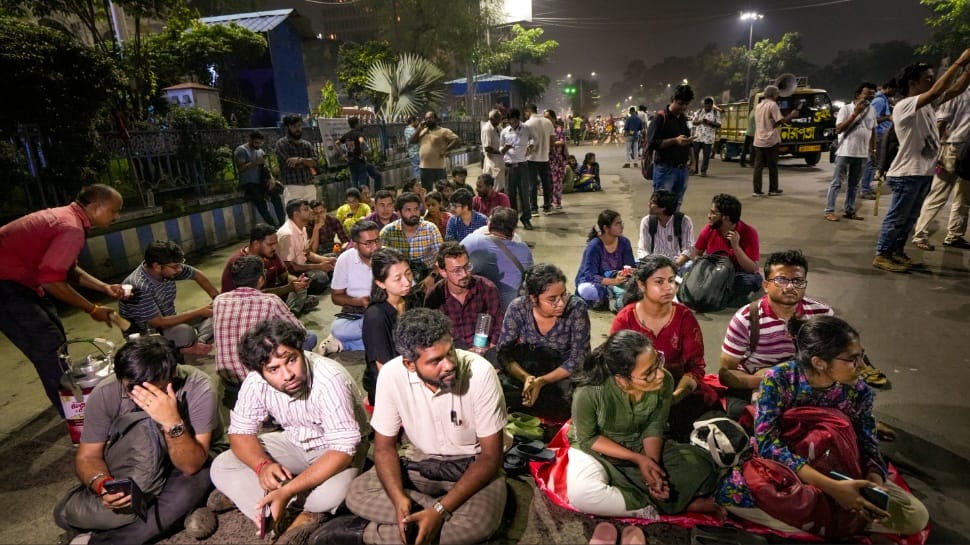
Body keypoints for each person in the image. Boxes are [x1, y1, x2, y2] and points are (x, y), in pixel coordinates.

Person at [715, 316, 928, 538]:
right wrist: (832, 488)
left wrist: (874, 483)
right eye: (853, 359)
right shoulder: (780, 379)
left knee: (915, 517)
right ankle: (836, 521)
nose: (863, 367)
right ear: (819, 362)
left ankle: (818, 522)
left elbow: (868, 443)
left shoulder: (859, 391)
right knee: (730, 495)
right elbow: (768, 443)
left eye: (863, 357)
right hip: (791, 469)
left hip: (841, 467)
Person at [320, 309, 507, 545]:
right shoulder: (391, 374)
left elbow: (491, 457)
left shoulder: (480, 373)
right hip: (419, 461)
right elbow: (384, 448)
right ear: (409, 364)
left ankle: (364, 533)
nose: (449, 365)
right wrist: (399, 499)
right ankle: (435, 523)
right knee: (357, 494)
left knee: (477, 524)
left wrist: (439, 511)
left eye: (450, 352)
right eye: (436, 361)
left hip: (472, 466)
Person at [210, 319, 371, 543]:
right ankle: (288, 510)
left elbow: (343, 450)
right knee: (221, 465)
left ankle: (276, 499)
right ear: (260, 371)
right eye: (273, 369)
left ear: (301, 351)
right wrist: (262, 466)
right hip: (294, 441)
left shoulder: (330, 379)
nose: (287, 375)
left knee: (333, 495)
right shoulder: (256, 382)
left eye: (292, 360)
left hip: (335, 451)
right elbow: (239, 432)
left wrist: (286, 492)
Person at [53, 335, 219, 545]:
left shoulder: (199, 387)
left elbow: (191, 465)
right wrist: (102, 484)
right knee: (82, 510)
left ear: (172, 375)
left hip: (194, 454)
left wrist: (172, 423)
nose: (139, 396)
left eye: (150, 389)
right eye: (131, 388)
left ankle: (98, 541)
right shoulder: (106, 392)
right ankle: (187, 512)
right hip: (141, 455)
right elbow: (87, 456)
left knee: (176, 501)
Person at [565, 330, 720, 519]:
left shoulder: (665, 382)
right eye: (648, 373)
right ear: (621, 379)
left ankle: (649, 499)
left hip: (640, 444)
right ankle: (659, 506)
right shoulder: (589, 392)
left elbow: (655, 425)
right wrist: (637, 460)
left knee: (701, 467)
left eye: (658, 363)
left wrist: (652, 468)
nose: (660, 375)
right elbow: (588, 438)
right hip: (598, 450)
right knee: (582, 495)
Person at [0, 183, 125, 414]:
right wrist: (92, 308)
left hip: (25, 282)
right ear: (96, 207)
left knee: (56, 340)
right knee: (46, 344)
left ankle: (66, 394)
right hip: (7, 286)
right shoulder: (71, 227)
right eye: (114, 210)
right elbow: (51, 281)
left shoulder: (69, 219)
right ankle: (75, 413)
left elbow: (66, 270)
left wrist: (104, 288)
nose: (117, 216)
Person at [874, 52, 970, 272]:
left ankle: (897, 253)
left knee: (908, 220)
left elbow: (956, 90)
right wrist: (960, 61)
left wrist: (968, 70)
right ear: (912, 83)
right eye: (927, 78)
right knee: (897, 219)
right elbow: (938, 89)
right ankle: (882, 254)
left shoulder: (927, 105)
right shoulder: (905, 105)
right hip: (906, 173)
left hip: (922, 173)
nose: (932, 81)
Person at [610, 256, 719, 441]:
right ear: (641, 285)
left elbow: (695, 368)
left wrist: (674, 398)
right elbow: (616, 368)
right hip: (636, 393)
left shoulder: (684, 318)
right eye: (659, 282)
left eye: (671, 280)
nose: (668, 287)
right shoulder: (625, 319)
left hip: (679, 391)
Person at [718, 250, 834, 419]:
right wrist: (769, 379)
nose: (790, 287)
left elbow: (832, 363)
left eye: (798, 281)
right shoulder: (746, 318)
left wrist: (790, 378)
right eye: (781, 280)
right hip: (756, 382)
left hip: (807, 383)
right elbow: (727, 372)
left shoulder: (822, 314)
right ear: (766, 285)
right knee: (740, 414)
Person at [213, 255, 316, 413]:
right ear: (261, 279)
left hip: (229, 378)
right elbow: (299, 332)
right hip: (261, 376)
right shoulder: (270, 301)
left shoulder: (219, 301)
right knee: (310, 337)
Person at [498, 263, 590, 423]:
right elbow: (504, 352)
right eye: (552, 299)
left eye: (563, 295)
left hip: (561, 374)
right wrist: (526, 378)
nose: (561, 303)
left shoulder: (576, 308)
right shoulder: (518, 308)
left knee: (572, 400)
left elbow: (578, 358)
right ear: (533, 299)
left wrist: (542, 381)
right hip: (529, 367)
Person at [119, 240, 218, 354]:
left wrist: (217, 299)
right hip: (148, 336)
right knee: (185, 332)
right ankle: (182, 349)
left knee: (216, 314)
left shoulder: (168, 270)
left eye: (181, 264)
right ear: (157, 266)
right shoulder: (138, 286)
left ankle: (195, 342)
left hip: (170, 324)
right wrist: (199, 312)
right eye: (175, 266)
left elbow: (198, 275)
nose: (180, 269)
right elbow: (158, 323)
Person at [912, 84, 970, 250]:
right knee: (939, 194)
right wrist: (936, 153)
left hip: (968, 151)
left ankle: (955, 235)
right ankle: (920, 234)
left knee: (964, 198)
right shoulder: (958, 94)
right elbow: (940, 123)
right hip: (953, 148)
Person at [221, 223, 317, 317]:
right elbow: (254, 296)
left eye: (275, 243)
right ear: (256, 244)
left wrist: (296, 281)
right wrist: (289, 288)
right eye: (270, 244)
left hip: (269, 297)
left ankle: (289, 312)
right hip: (246, 305)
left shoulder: (270, 255)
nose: (274, 248)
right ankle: (289, 315)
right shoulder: (241, 262)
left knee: (302, 287)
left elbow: (285, 275)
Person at [424, 242, 502, 357]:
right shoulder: (434, 296)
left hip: (484, 348)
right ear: (443, 272)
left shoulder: (487, 288)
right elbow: (432, 333)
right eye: (457, 270)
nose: (464, 274)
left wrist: (488, 347)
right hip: (452, 351)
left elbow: (498, 323)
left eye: (467, 267)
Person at [684, 194, 761, 306]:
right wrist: (703, 268)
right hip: (712, 274)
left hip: (735, 276)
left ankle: (714, 294)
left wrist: (736, 247)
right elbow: (695, 254)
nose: (709, 216)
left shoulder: (749, 233)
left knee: (754, 280)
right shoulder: (709, 229)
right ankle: (724, 297)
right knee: (686, 268)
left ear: (726, 218)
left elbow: (752, 268)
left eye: (713, 213)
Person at [361, 248, 415, 405]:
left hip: (414, 369)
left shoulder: (411, 300)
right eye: (398, 278)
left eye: (408, 273)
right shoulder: (376, 316)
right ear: (380, 283)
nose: (407, 281)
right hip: (390, 386)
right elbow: (385, 369)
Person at [461, 206, 534, 311]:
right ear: (513, 231)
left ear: (489, 226)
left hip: (475, 305)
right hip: (508, 309)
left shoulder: (473, 240)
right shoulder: (524, 250)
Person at [325, 221, 382, 354]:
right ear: (355, 245)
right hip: (357, 313)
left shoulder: (389, 256)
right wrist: (359, 302)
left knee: (387, 325)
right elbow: (336, 297)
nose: (375, 247)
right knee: (338, 329)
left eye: (377, 240)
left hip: (385, 312)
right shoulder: (345, 259)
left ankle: (343, 345)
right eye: (368, 243)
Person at [825, 83, 878, 222]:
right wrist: (855, 113)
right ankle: (829, 210)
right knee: (837, 183)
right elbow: (839, 129)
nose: (871, 96)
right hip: (845, 152)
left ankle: (849, 210)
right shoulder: (846, 109)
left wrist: (873, 150)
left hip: (862, 154)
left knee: (854, 185)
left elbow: (872, 130)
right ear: (858, 94)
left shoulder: (872, 109)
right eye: (868, 93)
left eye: (873, 93)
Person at [576, 210, 636, 311]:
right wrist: (614, 282)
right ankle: (612, 296)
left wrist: (626, 273)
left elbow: (630, 265)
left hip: (618, 278)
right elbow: (589, 276)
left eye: (621, 223)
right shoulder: (594, 246)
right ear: (606, 228)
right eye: (617, 224)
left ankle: (612, 296)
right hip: (597, 282)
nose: (622, 227)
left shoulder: (624, 242)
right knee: (586, 290)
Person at [647, 83, 695, 209]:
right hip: (665, 169)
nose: (683, 107)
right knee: (660, 206)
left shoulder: (683, 119)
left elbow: (689, 142)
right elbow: (653, 143)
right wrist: (674, 141)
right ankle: (657, 229)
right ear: (672, 100)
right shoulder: (660, 118)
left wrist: (693, 161)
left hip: (682, 170)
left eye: (686, 104)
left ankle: (673, 228)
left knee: (677, 204)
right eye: (680, 103)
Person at [379, 192, 444, 282]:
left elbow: (442, 258)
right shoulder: (388, 232)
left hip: (428, 277)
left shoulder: (430, 229)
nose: (413, 213)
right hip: (397, 279)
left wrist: (432, 277)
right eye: (408, 210)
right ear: (399, 213)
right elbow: (380, 261)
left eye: (416, 209)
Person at [276, 199, 335, 295]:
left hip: (303, 264)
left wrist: (326, 260)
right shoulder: (287, 234)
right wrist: (319, 266)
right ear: (296, 214)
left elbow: (307, 253)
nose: (311, 212)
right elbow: (290, 267)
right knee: (321, 279)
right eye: (306, 209)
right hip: (294, 273)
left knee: (333, 259)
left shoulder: (302, 228)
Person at [752, 85, 801, 197]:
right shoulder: (772, 105)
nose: (778, 96)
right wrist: (791, 115)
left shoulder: (759, 106)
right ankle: (773, 189)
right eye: (777, 94)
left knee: (758, 167)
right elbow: (781, 121)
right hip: (770, 141)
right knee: (772, 166)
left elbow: (768, 122)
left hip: (759, 140)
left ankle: (757, 190)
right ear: (773, 95)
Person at [235, 130, 285, 227]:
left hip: (262, 180)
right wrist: (255, 162)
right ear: (250, 140)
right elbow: (240, 168)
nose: (258, 145)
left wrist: (271, 178)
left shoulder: (260, 150)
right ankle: (273, 226)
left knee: (276, 196)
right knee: (260, 203)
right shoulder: (241, 150)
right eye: (256, 143)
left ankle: (282, 223)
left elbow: (265, 167)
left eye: (260, 143)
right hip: (249, 182)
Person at [859, 81, 897, 199]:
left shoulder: (884, 99)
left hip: (881, 135)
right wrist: (888, 117)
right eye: (894, 89)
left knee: (874, 164)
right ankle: (865, 189)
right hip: (878, 135)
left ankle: (867, 187)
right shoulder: (880, 101)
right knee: (872, 163)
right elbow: (872, 120)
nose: (896, 92)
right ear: (888, 88)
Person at [637, 189, 695, 265]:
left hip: (678, 263)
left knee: (690, 266)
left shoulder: (684, 221)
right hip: (654, 264)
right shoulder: (647, 221)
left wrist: (675, 265)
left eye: (652, 203)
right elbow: (643, 249)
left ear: (663, 208)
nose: (649, 205)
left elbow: (689, 248)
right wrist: (652, 266)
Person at [500, 108, 535, 230]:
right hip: (509, 166)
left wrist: (530, 146)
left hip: (522, 165)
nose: (512, 124)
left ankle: (526, 218)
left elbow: (534, 139)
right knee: (510, 194)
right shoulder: (504, 132)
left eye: (514, 121)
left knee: (524, 193)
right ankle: (512, 219)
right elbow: (500, 149)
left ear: (518, 119)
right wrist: (505, 148)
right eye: (510, 121)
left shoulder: (526, 128)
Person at [412, 111, 460, 191]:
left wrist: (446, 150)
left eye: (430, 118)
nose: (428, 120)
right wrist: (419, 129)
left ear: (436, 119)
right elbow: (412, 141)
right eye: (426, 118)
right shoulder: (423, 131)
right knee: (426, 191)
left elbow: (456, 139)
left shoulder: (443, 131)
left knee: (442, 190)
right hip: (424, 167)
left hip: (438, 167)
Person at [275, 114, 318, 203]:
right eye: (294, 126)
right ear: (288, 127)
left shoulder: (307, 144)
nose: (297, 129)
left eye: (299, 126)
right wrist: (307, 163)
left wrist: (300, 160)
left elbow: (315, 162)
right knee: (294, 216)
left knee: (313, 214)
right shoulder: (281, 144)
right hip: (292, 187)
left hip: (309, 185)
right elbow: (289, 164)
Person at [524, 104, 555, 214]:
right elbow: (552, 141)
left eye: (525, 113)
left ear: (528, 111)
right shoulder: (548, 122)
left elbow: (525, 142)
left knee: (532, 184)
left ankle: (534, 208)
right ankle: (547, 206)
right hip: (544, 157)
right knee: (546, 183)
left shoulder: (527, 124)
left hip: (531, 158)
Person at [338, 116, 371, 189]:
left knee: (354, 181)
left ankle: (355, 195)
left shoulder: (347, 135)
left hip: (351, 160)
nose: (360, 125)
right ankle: (363, 197)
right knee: (362, 181)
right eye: (359, 123)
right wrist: (362, 153)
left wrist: (342, 155)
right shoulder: (359, 134)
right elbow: (361, 141)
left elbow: (337, 143)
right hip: (359, 160)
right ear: (356, 124)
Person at [691, 98, 721, 177]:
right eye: (706, 106)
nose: (707, 108)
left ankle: (703, 171)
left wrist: (710, 122)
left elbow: (719, 125)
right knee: (695, 154)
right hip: (698, 137)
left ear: (712, 105)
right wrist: (700, 121)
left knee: (706, 156)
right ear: (703, 105)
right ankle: (695, 170)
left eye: (709, 107)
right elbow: (693, 122)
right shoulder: (699, 111)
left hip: (708, 138)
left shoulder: (716, 113)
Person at [546, 110, 568, 210]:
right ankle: (549, 201)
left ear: (553, 118)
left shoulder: (558, 129)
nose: (546, 119)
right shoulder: (544, 129)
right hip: (547, 159)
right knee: (548, 182)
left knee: (557, 182)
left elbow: (562, 142)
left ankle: (557, 202)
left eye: (548, 117)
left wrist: (551, 143)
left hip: (558, 160)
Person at [481, 109, 506, 191]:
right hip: (492, 161)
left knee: (501, 184)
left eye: (500, 118)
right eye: (498, 118)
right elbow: (487, 147)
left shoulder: (498, 127)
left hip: (500, 161)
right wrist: (500, 152)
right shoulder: (487, 129)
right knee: (494, 185)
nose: (500, 120)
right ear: (492, 119)